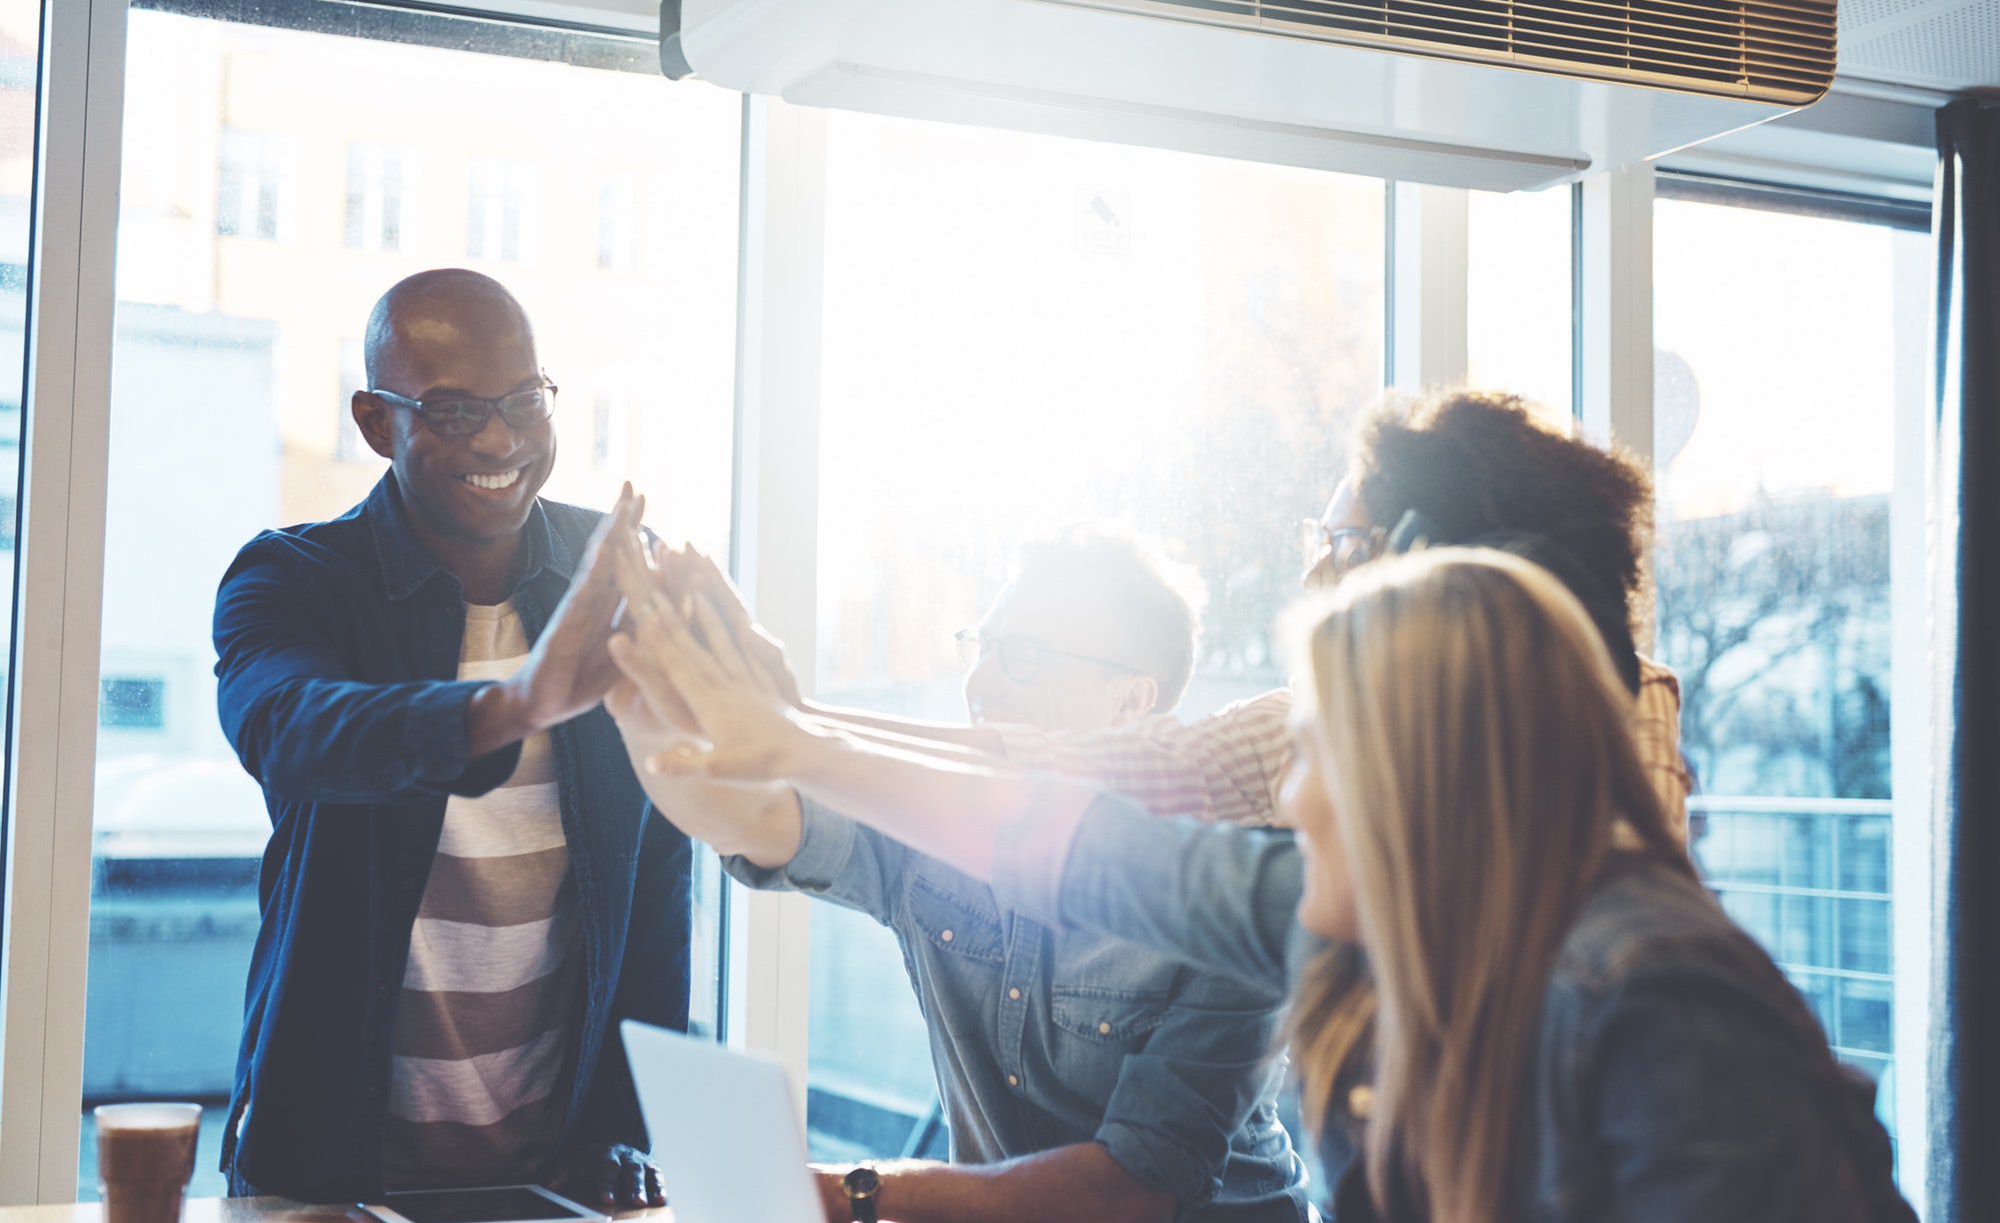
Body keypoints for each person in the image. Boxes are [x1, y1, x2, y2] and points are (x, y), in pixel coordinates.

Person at [609, 545, 1924, 1223]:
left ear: (1436, 781)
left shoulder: (1654, 992)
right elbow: (1068, 839)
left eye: (1321, 760)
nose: (1289, 799)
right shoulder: (1335, 909)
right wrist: (772, 728)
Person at [605, 528, 1317, 1223]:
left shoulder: (1227, 898)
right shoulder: (932, 829)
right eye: (982, 647)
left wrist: (851, 1189)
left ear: (1130, 704)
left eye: (1023, 657)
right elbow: (750, 814)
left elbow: (1129, 1199)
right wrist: (636, 689)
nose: (979, 682)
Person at [696, 388, 1691, 835]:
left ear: (1445, 563)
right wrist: (795, 724)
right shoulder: (1320, 732)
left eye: (1340, 547)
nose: (1312, 581)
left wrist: (794, 733)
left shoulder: (1620, 722)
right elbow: (1108, 768)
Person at [212, 269, 686, 1205]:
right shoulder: (295, 579)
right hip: (326, 1173)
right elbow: (289, 727)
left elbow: (658, 880)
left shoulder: (614, 579)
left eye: (522, 402)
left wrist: (633, 1131)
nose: (503, 439)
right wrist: (516, 702)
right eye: (456, 412)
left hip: (560, 1182)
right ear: (374, 422)